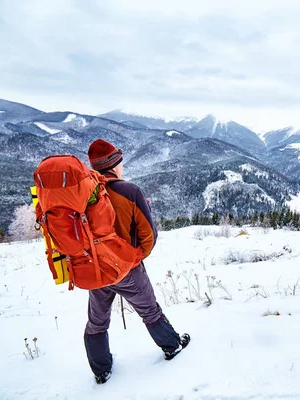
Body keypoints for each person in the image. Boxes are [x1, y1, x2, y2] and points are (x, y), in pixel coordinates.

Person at [84, 138, 190, 384]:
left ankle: (101, 370)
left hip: (95, 270)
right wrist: (135, 257)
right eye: (119, 162)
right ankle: (171, 345)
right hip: (127, 269)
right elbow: (149, 235)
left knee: (97, 321)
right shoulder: (130, 191)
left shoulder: (84, 195)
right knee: (149, 310)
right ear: (114, 165)